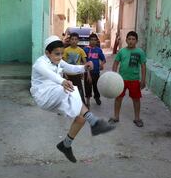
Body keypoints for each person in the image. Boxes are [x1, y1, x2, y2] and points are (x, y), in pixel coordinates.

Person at [30, 35, 115, 163]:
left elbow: (71, 68)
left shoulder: (58, 61)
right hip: (44, 95)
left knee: (80, 118)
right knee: (72, 88)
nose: (60, 57)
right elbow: (50, 74)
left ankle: (66, 145)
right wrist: (63, 81)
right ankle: (94, 122)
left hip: (57, 94)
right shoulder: (40, 63)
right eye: (56, 54)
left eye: (61, 54)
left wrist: (84, 67)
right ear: (47, 53)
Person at [109, 31, 146, 127]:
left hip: (134, 80)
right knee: (118, 98)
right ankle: (116, 117)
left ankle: (137, 118)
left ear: (136, 41)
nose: (131, 41)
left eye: (133, 39)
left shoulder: (140, 52)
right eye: (129, 39)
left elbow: (143, 66)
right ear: (126, 40)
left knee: (136, 99)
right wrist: (114, 76)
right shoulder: (122, 51)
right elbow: (116, 63)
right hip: (121, 80)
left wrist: (143, 80)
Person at [63, 32, 88, 104]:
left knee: (79, 90)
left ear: (78, 41)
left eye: (75, 39)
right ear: (69, 40)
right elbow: (63, 63)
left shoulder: (81, 50)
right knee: (67, 90)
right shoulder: (66, 50)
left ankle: (83, 105)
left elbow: (85, 63)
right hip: (68, 74)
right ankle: (65, 105)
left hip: (77, 74)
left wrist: (83, 72)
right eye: (72, 39)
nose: (74, 41)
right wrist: (64, 73)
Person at [83, 33, 106, 108]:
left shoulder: (98, 50)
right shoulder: (85, 49)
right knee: (88, 87)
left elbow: (103, 59)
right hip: (88, 72)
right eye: (91, 40)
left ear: (97, 41)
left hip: (96, 72)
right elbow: (84, 61)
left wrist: (101, 64)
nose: (93, 41)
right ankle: (88, 101)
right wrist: (86, 71)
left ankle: (97, 97)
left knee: (96, 86)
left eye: (94, 40)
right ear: (89, 41)